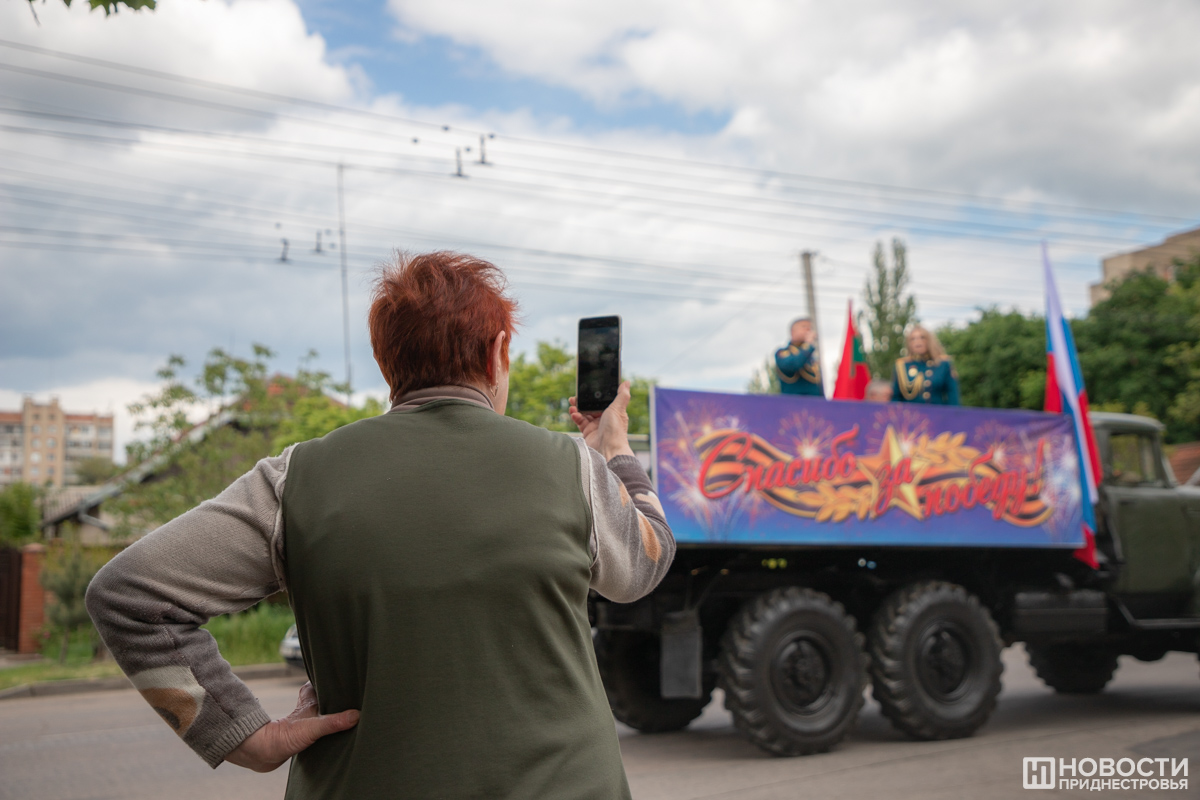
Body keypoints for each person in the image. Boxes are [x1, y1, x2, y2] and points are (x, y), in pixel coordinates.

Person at [85, 251, 675, 800]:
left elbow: (127, 595)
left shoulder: (295, 479)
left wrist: (243, 736)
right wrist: (614, 452)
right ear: (498, 353)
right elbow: (644, 565)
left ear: (386, 360)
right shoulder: (571, 466)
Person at [891, 324, 960, 405]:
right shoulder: (902, 365)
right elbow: (895, 397)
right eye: (913, 339)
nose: (917, 341)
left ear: (930, 341)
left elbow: (953, 397)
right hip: (910, 412)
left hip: (937, 411)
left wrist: (954, 412)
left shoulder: (943, 364)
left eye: (922, 337)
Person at [775, 317, 824, 397]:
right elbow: (794, 365)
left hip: (815, 402)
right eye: (804, 327)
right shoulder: (783, 352)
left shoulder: (810, 357)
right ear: (793, 332)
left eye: (810, 328)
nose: (808, 330)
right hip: (794, 402)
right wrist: (808, 345)